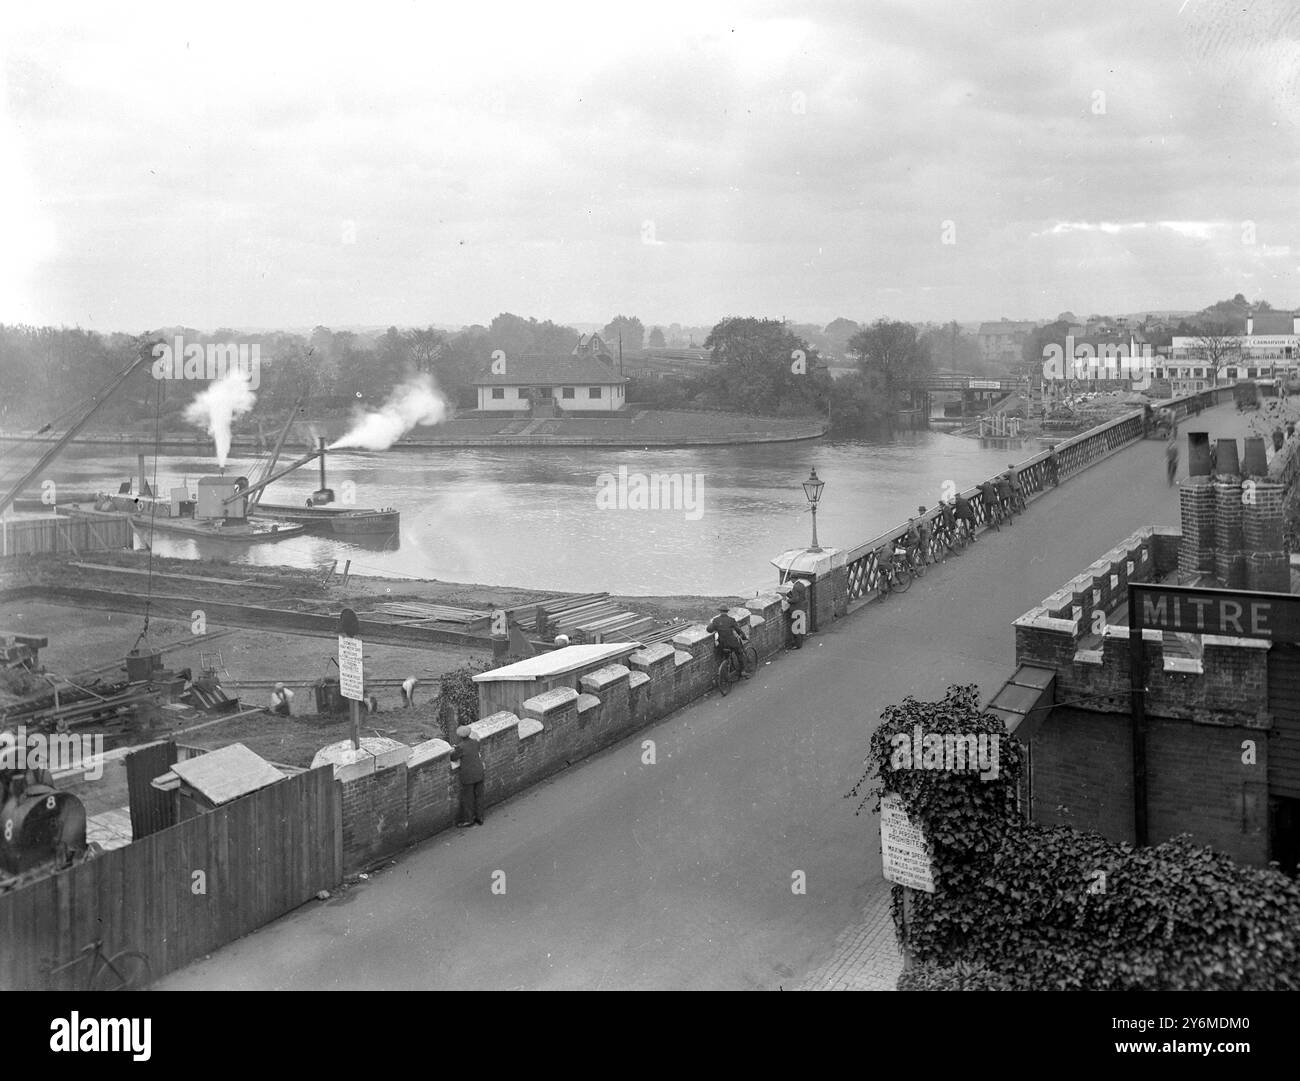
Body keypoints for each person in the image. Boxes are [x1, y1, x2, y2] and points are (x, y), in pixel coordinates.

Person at [450, 724, 485, 827]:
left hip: (468, 776)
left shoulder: (460, 747)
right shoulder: (475, 742)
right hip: (479, 772)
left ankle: (469, 820)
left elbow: (453, 758)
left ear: (460, 736)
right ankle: (480, 817)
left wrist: (454, 749)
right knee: (479, 796)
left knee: (468, 799)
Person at [706, 604, 750, 677]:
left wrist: (715, 627)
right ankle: (743, 671)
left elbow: (709, 630)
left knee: (725, 654)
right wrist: (744, 637)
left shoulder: (716, 620)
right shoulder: (731, 620)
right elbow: (738, 630)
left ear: (720, 611)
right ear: (727, 612)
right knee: (739, 653)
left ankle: (727, 667)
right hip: (732, 643)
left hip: (722, 644)